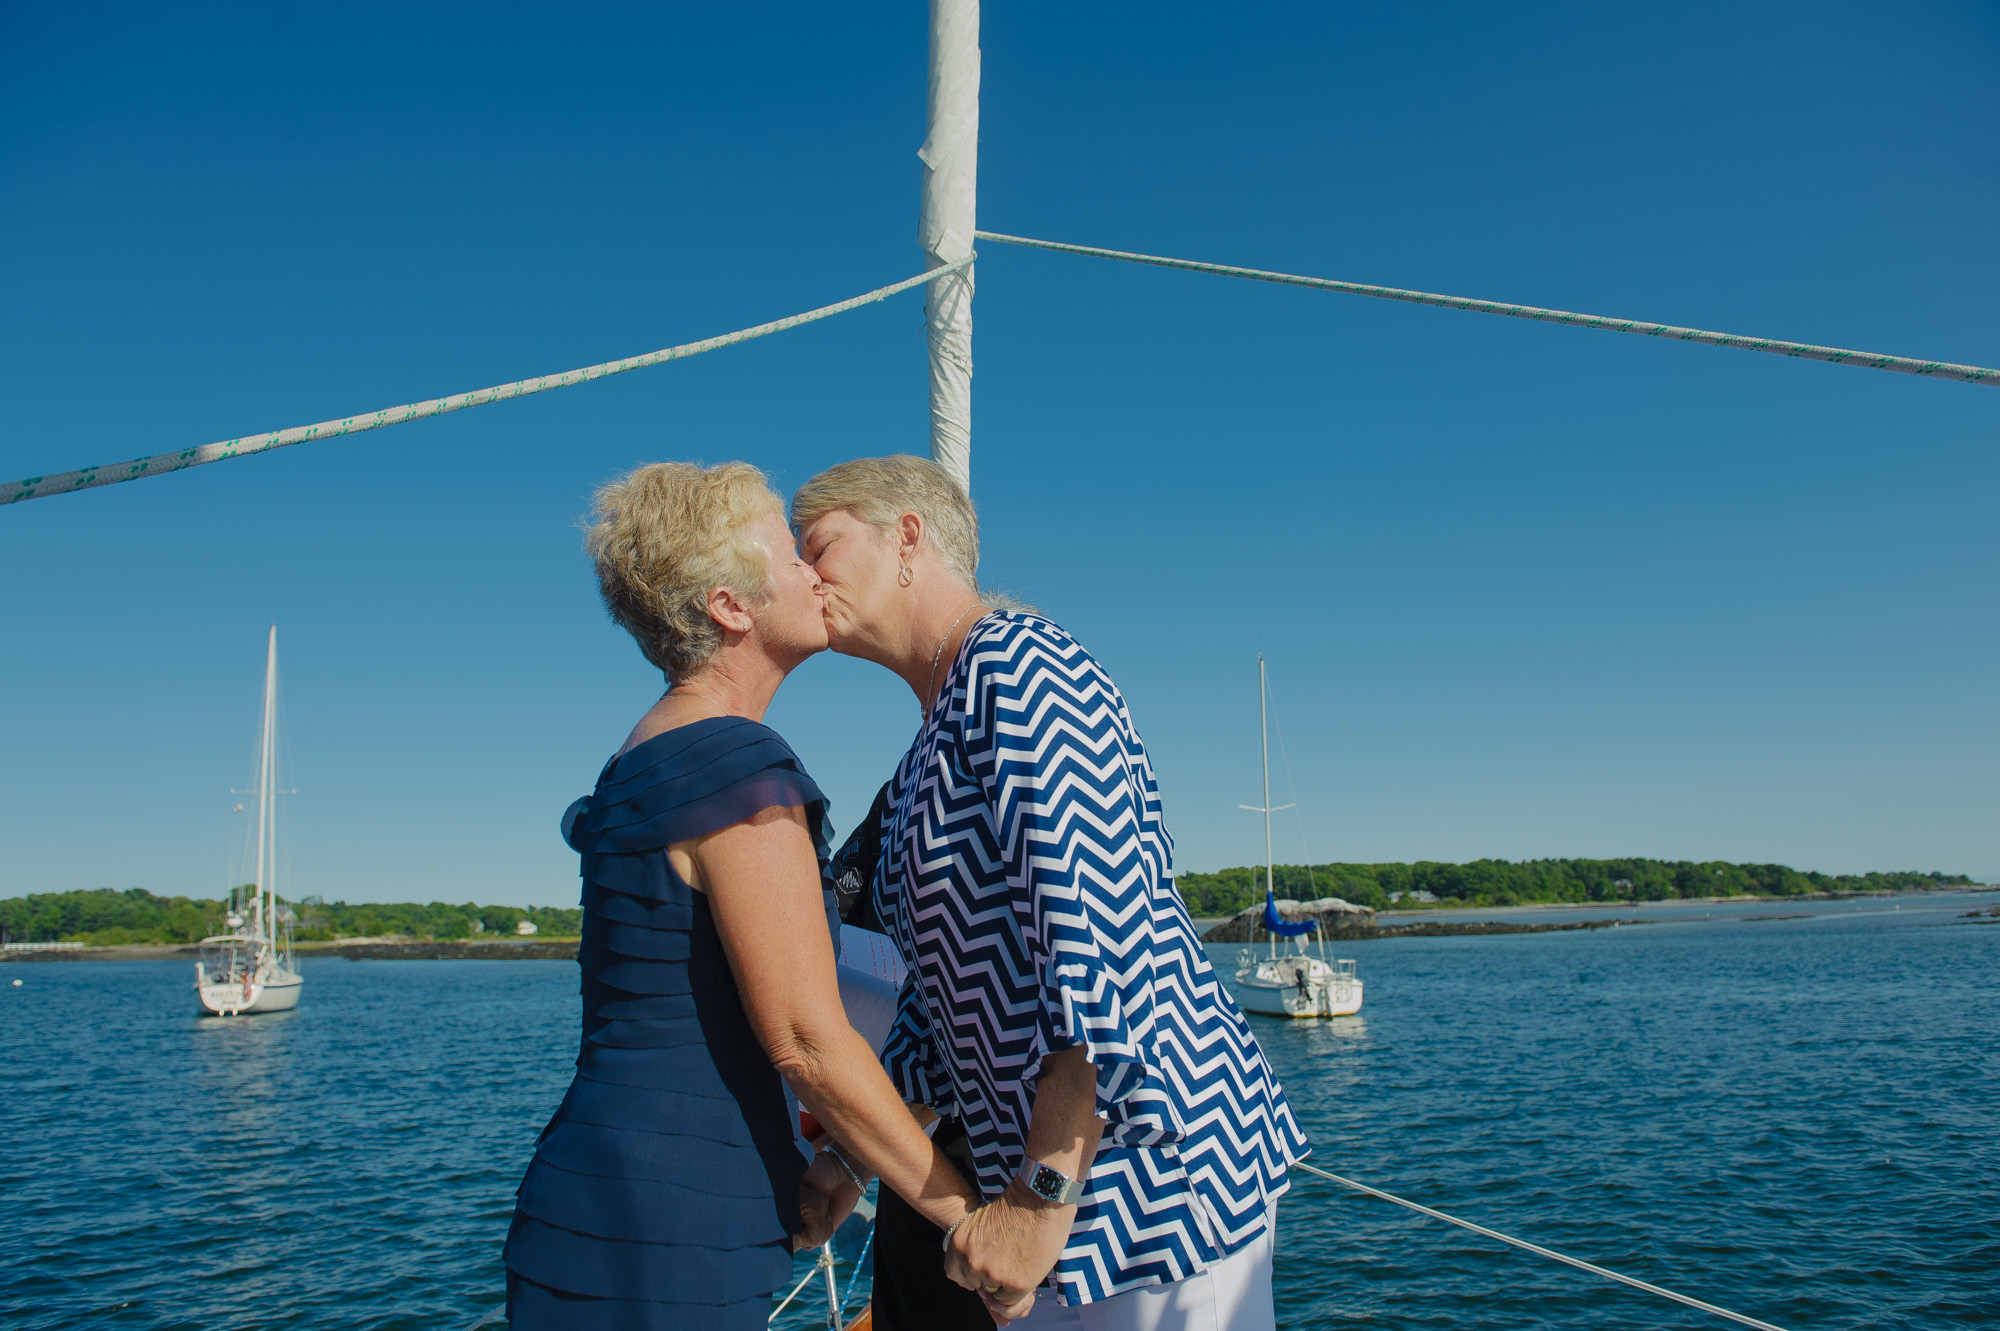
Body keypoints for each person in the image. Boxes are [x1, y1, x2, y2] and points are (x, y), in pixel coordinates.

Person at [793, 455, 1310, 1331]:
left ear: (908, 537)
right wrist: (846, 1163)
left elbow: (1100, 935)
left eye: (823, 546)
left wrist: (1040, 1196)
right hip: (1051, 1216)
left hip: (1149, 1198)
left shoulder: (1021, 665)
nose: (807, 575)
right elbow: (937, 1017)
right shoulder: (929, 745)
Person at [503, 461, 985, 1331]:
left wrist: (834, 1163)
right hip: (667, 1225)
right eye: (789, 556)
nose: (814, 572)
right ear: (731, 606)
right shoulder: (736, 768)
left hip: (607, 1198)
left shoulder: (645, 754)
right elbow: (806, 1039)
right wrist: (970, 1217)